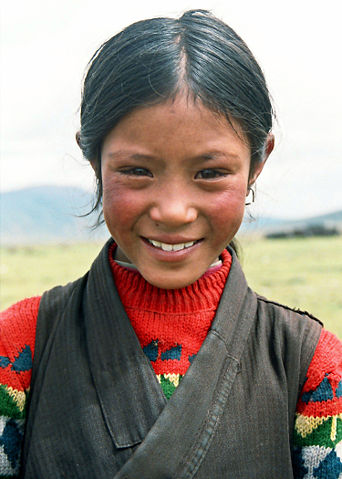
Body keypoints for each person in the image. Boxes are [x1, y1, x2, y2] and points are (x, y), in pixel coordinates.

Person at [0, 9, 341, 478]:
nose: (174, 210)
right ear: (94, 160)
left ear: (257, 164)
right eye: (138, 171)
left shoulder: (311, 365)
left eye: (210, 173)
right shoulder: (19, 345)